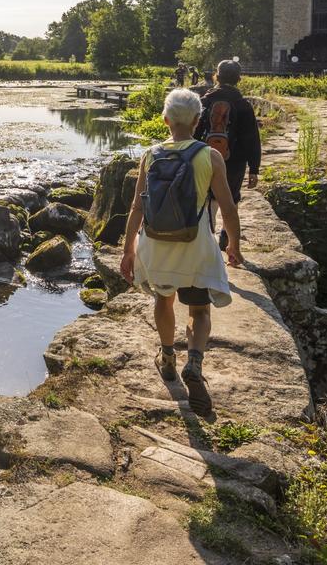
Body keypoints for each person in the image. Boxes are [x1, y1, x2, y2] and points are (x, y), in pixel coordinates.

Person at [121, 88, 244, 411]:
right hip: (196, 245)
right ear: (197, 120)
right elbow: (228, 207)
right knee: (200, 310)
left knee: (164, 300)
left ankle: (167, 357)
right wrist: (234, 244)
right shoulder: (210, 156)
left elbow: (136, 207)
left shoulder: (150, 155)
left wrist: (128, 250)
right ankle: (195, 362)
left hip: (157, 245)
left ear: (165, 120)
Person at [195, 60, 262, 213]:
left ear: (216, 77)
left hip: (207, 157)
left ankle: (210, 227)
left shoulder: (204, 102)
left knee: (209, 200)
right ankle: (228, 228)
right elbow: (251, 139)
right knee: (231, 199)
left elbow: (194, 132)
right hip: (235, 161)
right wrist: (254, 169)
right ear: (239, 79)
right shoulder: (243, 105)